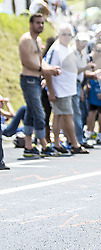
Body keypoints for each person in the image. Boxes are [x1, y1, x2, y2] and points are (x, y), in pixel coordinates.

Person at [18, 13, 61, 157]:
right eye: (37, 23)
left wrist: (50, 69)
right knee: (39, 112)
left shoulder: (38, 40)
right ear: (31, 24)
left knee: (31, 112)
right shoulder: (25, 40)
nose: (40, 25)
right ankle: (44, 144)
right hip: (28, 79)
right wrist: (44, 70)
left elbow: (39, 61)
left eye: (42, 23)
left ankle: (29, 146)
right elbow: (26, 62)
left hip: (36, 79)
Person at [44, 23, 89, 154]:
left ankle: (57, 142)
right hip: (60, 89)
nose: (67, 37)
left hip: (69, 89)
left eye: (69, 34)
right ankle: (74, 143)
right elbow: (48, 70)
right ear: (58, 34)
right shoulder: (56, 49)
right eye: (64, 34)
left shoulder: (68, 49)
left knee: (58, 116)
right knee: (68, 116)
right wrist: (51, 91)